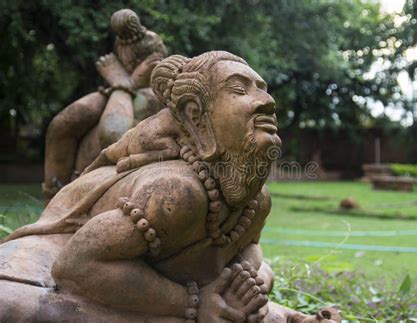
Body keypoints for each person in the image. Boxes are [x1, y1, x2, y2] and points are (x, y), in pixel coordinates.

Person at [0, 51, 339, 322]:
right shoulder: (176, 190)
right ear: (195, 115)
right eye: (239, 90)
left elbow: (247, 248)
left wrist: (249, 275)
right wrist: (191, 304)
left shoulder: (255, 201)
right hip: (57, 254)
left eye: (262, 88)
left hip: (145, 265)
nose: (267, 102)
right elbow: (75, 265)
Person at [42, 9, 167, 203]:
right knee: (63, 122)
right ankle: (52, 199)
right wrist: (119, 80)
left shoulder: (151, 40)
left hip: (141, 91)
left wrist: (121, 80)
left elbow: (113, 133)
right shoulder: (120, 41)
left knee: (111, 129)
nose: (123, 35)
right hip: (115, 87)